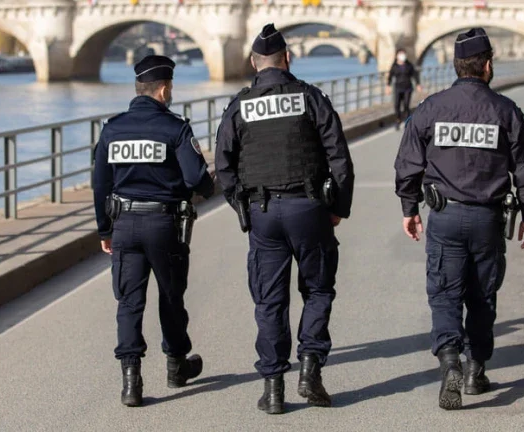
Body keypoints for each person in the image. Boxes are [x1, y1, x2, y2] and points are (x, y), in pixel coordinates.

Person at [394, 28, 524, 410]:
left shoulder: (431, 108)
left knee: (444, 294)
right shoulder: (506, 111)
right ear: (488, 65)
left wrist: (409, 209)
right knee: (482, 296)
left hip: (443, 216)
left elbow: (407, 164)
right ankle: (476, 370)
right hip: (488, 219)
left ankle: (449, 361)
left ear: (456, 66)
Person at [215, 23, 355, 415]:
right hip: (309, 208)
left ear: (253, 63)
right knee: (318, 290)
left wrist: (242, 205)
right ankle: (310, 368)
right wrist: (337, 208)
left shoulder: (239, 105)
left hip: (263, 214)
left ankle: (273, 389)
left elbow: (223, 166)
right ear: (287, 58)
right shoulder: (311, 98)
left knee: (269, 301)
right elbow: (339, 158)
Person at [92, 54, 215, 407]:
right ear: (163, 90)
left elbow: (100, 184)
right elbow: (196, 179)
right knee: (170, 296)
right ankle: (176, 366)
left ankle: (131, 381)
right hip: (164, 225)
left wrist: (105, 230)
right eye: (171, 88)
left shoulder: (112, 129)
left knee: (129, 302)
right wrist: (208, 188)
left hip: (125, 224)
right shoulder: (175, 128)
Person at [386, 48, 422, 130]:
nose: (402, 56)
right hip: (398, 87)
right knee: (397, 105)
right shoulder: (394, 66)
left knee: (406, 105)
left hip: (407, 88)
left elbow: (415, 75)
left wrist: (418, 84)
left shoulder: (409, 65)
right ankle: (398, 120)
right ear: (397, 56)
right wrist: (388, 86)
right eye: (401, 54)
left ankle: (407, 121)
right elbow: (390, 76)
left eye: (403, 54)